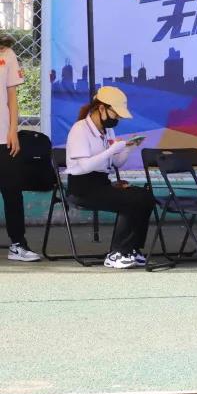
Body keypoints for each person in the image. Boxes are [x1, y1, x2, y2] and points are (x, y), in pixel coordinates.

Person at [65, 86, 154, 269]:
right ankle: (117, 253)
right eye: (116, 114)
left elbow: (116, 162)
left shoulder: (107, 131)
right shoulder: (80, 129)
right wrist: (111, 150)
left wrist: (128, 148)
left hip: (101, 184)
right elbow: (84, 167)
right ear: (101, 108)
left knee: (145, 196)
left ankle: (132, 249)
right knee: (130, 200)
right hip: (82, 188)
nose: (117, 119)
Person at [0, 35, 38, 262]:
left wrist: (13, 130)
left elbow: (12, 97)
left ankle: (18, 244)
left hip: (3, 137)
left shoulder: (7, 54)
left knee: (12, 191)